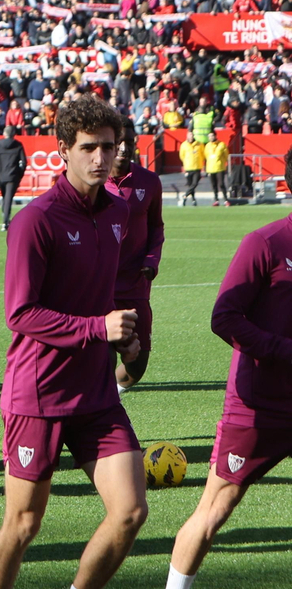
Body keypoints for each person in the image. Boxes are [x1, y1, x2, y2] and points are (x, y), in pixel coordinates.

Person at [0, 96, 145, 589]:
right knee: (23, 524)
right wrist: (98, 327)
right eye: (89, 148)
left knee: (130, 511)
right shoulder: (36, 221)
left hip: (96, 390)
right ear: (64, 151)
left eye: (109, 148)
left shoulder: (119, 211)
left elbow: (112, 286)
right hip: (38, 395)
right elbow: (20, 314)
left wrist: (127, 337)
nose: (101, 158)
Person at [153, 210, 292, 589]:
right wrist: (283, 351)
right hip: (259, 404)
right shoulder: (265, 243)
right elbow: (225, 318)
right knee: (216, 506)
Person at [107, 119, 164, 393]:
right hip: (99, 288)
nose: (124, 147)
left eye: (129, 141)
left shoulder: (150, 182)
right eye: (118, 141)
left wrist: (152, 260)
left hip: (136, 287)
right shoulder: (90, 180)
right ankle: (99, 409)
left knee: (137, 366)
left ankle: (106, 397)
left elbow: (156, 227)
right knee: (99, 361)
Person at [0, 124, 27, 231]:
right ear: (14, 134)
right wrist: (20, 174)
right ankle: (5, 220)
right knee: (8, 198)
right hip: (13, 176)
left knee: (5, 197)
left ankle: (5, 217)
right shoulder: (18, 145)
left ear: (4, 134)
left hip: (1, 175)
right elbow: (24, 162)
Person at [203, 129, 229, 205]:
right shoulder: (207, 146)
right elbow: (206, 156)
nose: (211, 137)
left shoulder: (221, 144)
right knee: (214, 185)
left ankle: (225, 200)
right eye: (209, 136)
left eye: (212, 136)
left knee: (221, 184)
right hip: (210, 168)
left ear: (215, 136)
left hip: (220, 167)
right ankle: (216, 200)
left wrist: (223, 163)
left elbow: (226, 155)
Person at [178, 133, 204, 207]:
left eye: (192, 136)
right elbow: (182, 155)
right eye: (189, 136)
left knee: (195, 183)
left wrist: (200, 162)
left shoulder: (199, 144)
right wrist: (186, 162)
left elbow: (202, 154)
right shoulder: (184, 145)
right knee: (190, 185)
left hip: (197, 167)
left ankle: (184, 196)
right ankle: (193, 200)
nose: (191, 137)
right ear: (187, 137)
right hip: (188, 168)